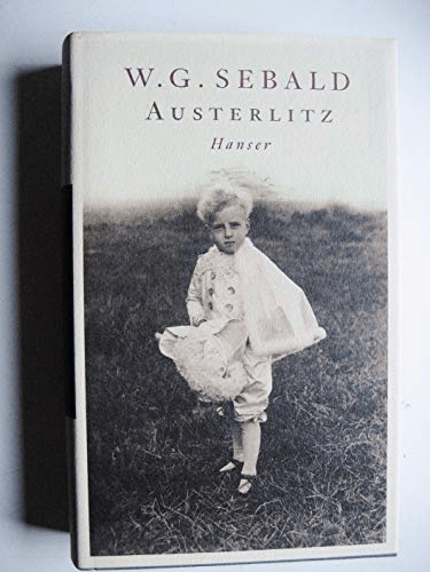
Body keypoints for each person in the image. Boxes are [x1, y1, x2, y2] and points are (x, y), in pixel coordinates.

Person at [157, 178, 326, 494]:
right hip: (221, 347)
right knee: (230, 403)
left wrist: (262, 329)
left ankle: (250, 469)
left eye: (235, 225)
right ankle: (237, 456)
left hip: (250, 349)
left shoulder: (254, 262)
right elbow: (193, 296)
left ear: (247, 226)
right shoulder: (205, 262)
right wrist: (199, 318)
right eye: (219, 227)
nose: (228, 234)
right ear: (209, 230)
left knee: (249, 409)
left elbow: (277, 295)